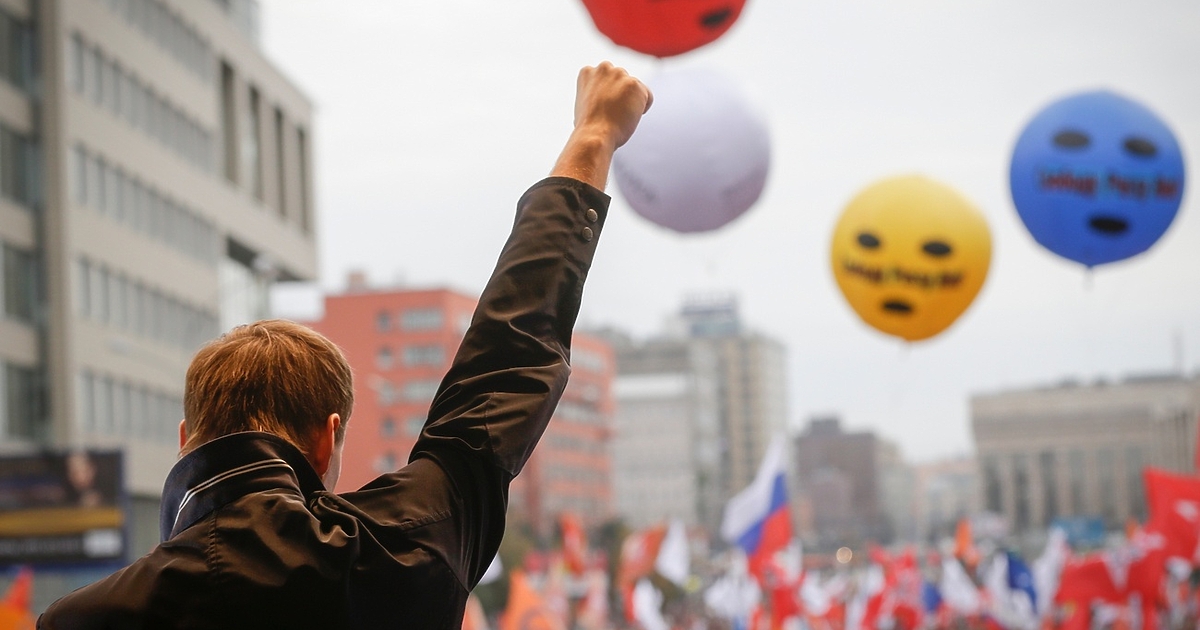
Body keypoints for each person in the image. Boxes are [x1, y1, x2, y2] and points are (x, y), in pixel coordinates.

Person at [38, 61, 652, 630]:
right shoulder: (396, 551)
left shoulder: (79, 619)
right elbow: (504, 359)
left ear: (186, 439)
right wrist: (593, 134)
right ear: (327, 437)